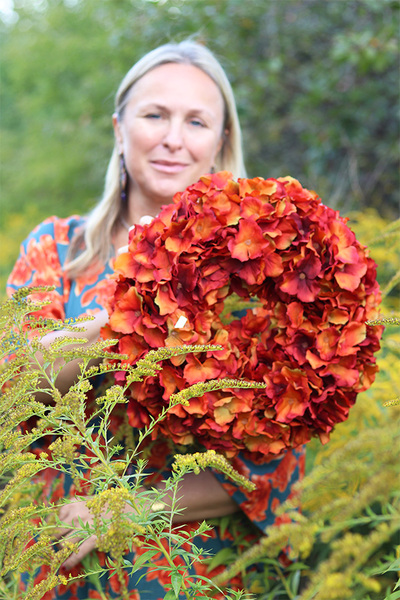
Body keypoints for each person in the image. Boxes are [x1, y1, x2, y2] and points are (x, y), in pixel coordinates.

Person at [7, 40, 304, 599]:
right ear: (120, 129)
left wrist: (121, 512)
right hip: (57, 566)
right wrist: (125, 311)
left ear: (220, 143)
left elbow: (273, 461)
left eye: (196, 121)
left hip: (192, 572)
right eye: (155, 115)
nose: (173, 138)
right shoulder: (59, 248)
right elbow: (11, 384)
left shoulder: (262, 278)